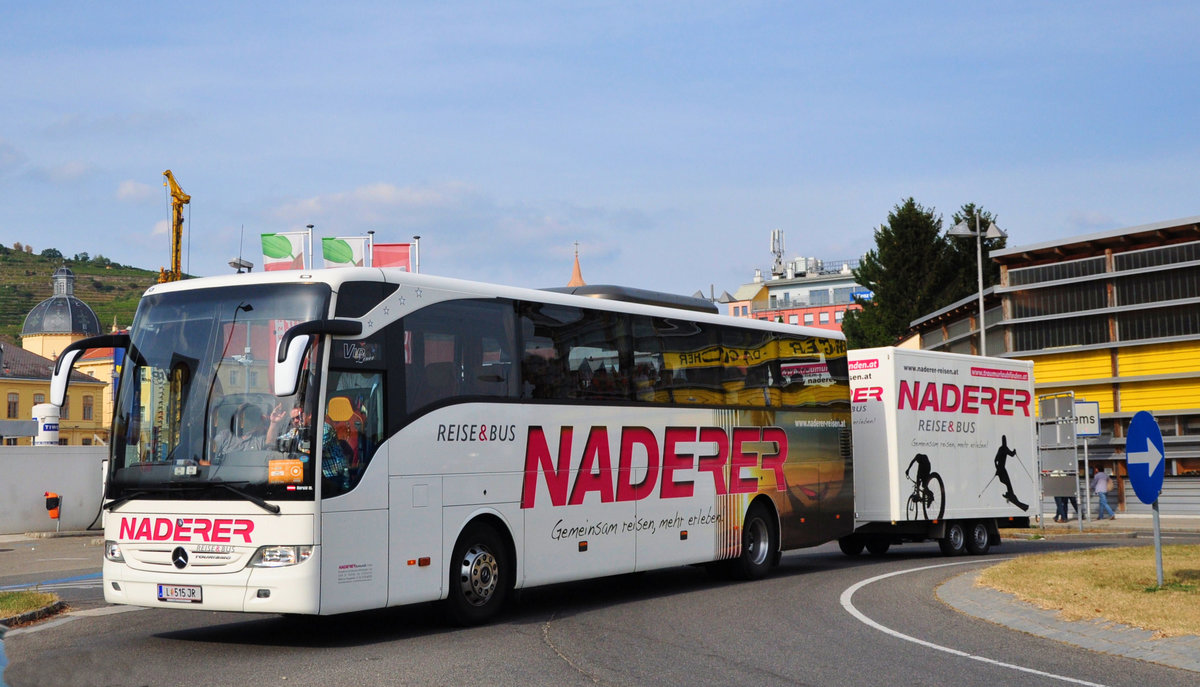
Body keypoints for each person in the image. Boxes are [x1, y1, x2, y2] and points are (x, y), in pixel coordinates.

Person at [993, 435, 1029, 511]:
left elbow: (995, 460)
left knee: (1006, 482)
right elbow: (1012, 454)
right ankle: (1010, 494)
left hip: (1000, 469)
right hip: (1002, 469)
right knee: (1008, 483)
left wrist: (997, 468)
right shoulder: (1005, 448)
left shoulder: (1001, 448)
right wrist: (1014, 451)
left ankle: (1009, 494)